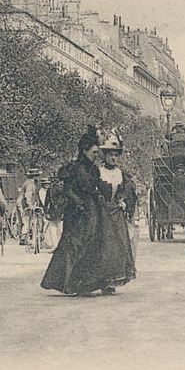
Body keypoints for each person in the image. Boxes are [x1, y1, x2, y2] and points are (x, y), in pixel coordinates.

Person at [41, 126, 135, 296]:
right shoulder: (74, 168)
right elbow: (67, 189)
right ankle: (69, 283)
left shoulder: (93, 169)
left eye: (97, 153)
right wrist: (78, 202)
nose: (96, 155)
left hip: (93, 211)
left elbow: (97, 187)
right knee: (74, 246)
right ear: (84, 151)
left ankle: (87, 283)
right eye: (93, 152)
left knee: (94, 245)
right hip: (77, 212)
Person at [98, 130, 139, 267]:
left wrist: (123, 202)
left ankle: (114, 277)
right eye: (110, 155)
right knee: (103, 245)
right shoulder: (99, 172)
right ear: (105, 156)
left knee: (119, 244)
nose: (113, 158)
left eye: (116, 155)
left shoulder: (121, 174)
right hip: (101, 213)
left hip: (117, 214)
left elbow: (127, 193)